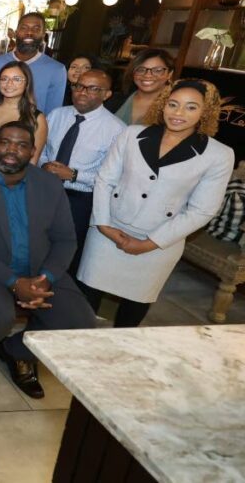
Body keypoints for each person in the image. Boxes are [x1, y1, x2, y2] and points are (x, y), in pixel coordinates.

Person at [0, 121, 96, 403]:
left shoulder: (49, 184)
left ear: (33, 151)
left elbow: (65, 239)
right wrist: (14, 283)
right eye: (5, 142)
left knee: (80, 322)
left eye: (21, 144)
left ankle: (16, 351)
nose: (12, 150)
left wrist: (45, 278)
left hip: (37, 267)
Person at [78, 80, 234, 327]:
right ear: (163, 105)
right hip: (107, 230)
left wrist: (149, 244)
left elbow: (202, 210)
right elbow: (105, 180)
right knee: (86, 299)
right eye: (173, 104)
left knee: (134, 309)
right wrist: (103, 225)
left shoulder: (219, 154)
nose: (179, 113)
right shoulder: (131, 134)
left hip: (158, 241)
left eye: (191, 107)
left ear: (205, 112)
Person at [40, 69, 126, 280]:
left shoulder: (117, 129)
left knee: (67, 253)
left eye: (93, 89)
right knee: (37, 243)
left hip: (79, 199)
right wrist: (44, 165)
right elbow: (41, 149)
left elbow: (113, 176)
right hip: (44, 190)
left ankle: (60, 294)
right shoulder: (56, 115)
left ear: (107, 95)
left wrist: (74, 175)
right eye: (79, 86)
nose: (83, 92)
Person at [0, 12, 67, 114]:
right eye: (24, 28)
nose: (29, 33)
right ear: (16, 33)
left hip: (34, 128)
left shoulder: (56, 70)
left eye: (36, 29)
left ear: (43, 34)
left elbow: (53, 113)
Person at [0, 61, 47, 163]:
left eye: (17, 79)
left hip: (12, 177)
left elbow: (32, 162)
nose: (9, 83)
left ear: (27, 83)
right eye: (4, 79)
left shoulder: (37, 118)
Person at [104, 48, 175, 125]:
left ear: (169, 74)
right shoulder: (113, 100)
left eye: (157, 70)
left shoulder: (175, 106)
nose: (147, 75)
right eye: (141, 69)